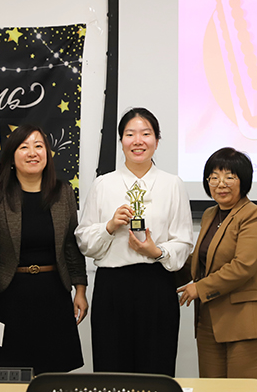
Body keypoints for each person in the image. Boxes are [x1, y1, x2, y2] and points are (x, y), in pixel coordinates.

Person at [75, 107, 193, 376]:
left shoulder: (173, 184)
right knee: (112, 369)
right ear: (121, 141)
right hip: (112, 288)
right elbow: (84, 240)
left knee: (156, 369)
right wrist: (109, 226)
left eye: (146, 134)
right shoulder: (103, 184)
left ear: (157, 141)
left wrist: (157, 251)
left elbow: (184, 241)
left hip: (156, 286)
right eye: (130, 134)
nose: (138, 141)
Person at [0, 124, 87, 374]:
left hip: (54, 296)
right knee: (7, 378)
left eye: (39, 146)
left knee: (53, 377)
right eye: (24, 147)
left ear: (47, 154)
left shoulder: (63, 192)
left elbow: (71, 245)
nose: (33, 153)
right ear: (12, 156)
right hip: (9, 297)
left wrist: (80, 290)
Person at [177, 147, 257, 384]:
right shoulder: (211, 214)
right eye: (214, 177)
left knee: (245, 389)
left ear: (244, 181)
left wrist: (199, 288)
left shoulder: (255, 216)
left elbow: (243, 266)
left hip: (246, 324)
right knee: (212, 389)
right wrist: (159, 257)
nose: (221, 184)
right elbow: (201, 260)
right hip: (210, 322)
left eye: (229, 177)